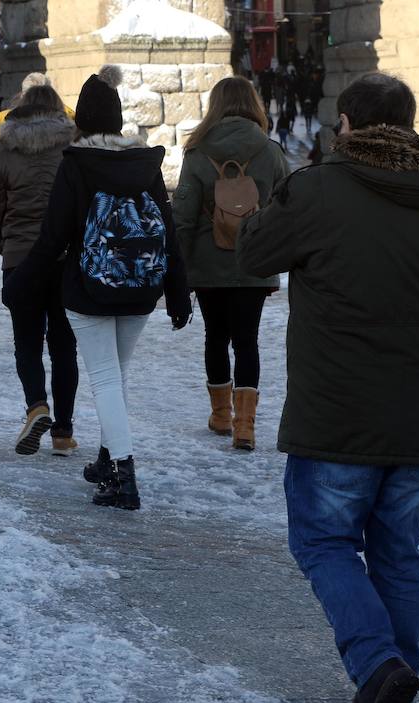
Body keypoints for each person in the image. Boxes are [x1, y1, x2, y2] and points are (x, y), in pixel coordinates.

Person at [237, 73, 419, 703]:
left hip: (336, 417)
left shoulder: (319, 189)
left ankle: (379, 665)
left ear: (351, 127)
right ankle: (394, 677)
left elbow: (252, 253)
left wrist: (287, 188)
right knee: (396, 549)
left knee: (324, 540)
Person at [3, 65, 192, 511]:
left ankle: (124, 476)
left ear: (80, 123)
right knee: (117, 377)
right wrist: (178, 292)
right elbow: (168, 229)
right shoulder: (144, 163)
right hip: (142, 288)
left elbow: (52, 239)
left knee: (106, 378)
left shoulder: (76, 165)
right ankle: (108, 460)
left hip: (88, 290)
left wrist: (20, 285)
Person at [172, 76, 289, 451]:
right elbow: (289, 206)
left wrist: (181, 265)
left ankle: (221, 415)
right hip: (255, 261)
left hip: (208, 262)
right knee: (248, 341)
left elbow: (184, 215)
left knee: (216, 337)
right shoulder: (270, 152)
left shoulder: (197, 153)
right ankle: (246, 427)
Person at [0, 84, 79, 456]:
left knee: (27, 342)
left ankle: (37, 406)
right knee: (64, 346)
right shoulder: (74, 151)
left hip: (21, 261)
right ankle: (63, 433)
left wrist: (6, 246)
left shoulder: (5, 153)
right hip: (67, 261)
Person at [0, 73, 75, 174]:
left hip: (13, 185)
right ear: (51, 93)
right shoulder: (68, 116)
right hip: (58, 184)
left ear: (23, 95)